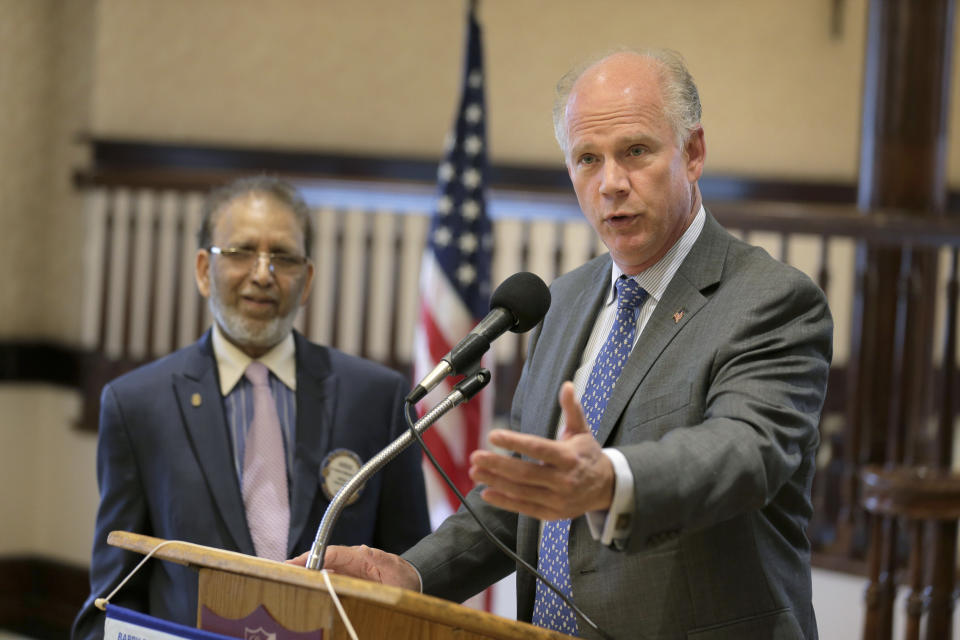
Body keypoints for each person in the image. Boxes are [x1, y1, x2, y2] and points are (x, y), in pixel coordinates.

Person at [293, 49, 832, 640]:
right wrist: (412, 574)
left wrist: (611, 482)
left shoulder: (770, 299)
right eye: (587, 159)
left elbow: (745, 452)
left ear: (693, 152)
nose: (611, 184)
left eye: (635, 152)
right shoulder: (563, 302)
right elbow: (525, 493)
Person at [72, 176, 430, 639]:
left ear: (306, 281)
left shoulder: (376, 398)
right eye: (241, 251)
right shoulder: (137, 404)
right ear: (204, 269)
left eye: (283, 256)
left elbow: (411, 577)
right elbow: (114, 593)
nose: (263, 273)